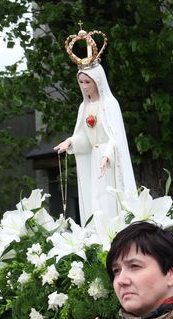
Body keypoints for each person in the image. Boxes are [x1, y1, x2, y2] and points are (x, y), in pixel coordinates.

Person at [54, 62, 136, 225]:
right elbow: (85, 139)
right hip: (94, 160)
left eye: (87, 82)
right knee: (95, 200)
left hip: (110, 162)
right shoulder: (83, 107)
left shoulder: (110, 105)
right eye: (81, 82)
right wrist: (70, 141)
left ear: (98, 81)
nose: (84, 86)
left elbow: (116, 136)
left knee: (110, 198)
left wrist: (107, 155)